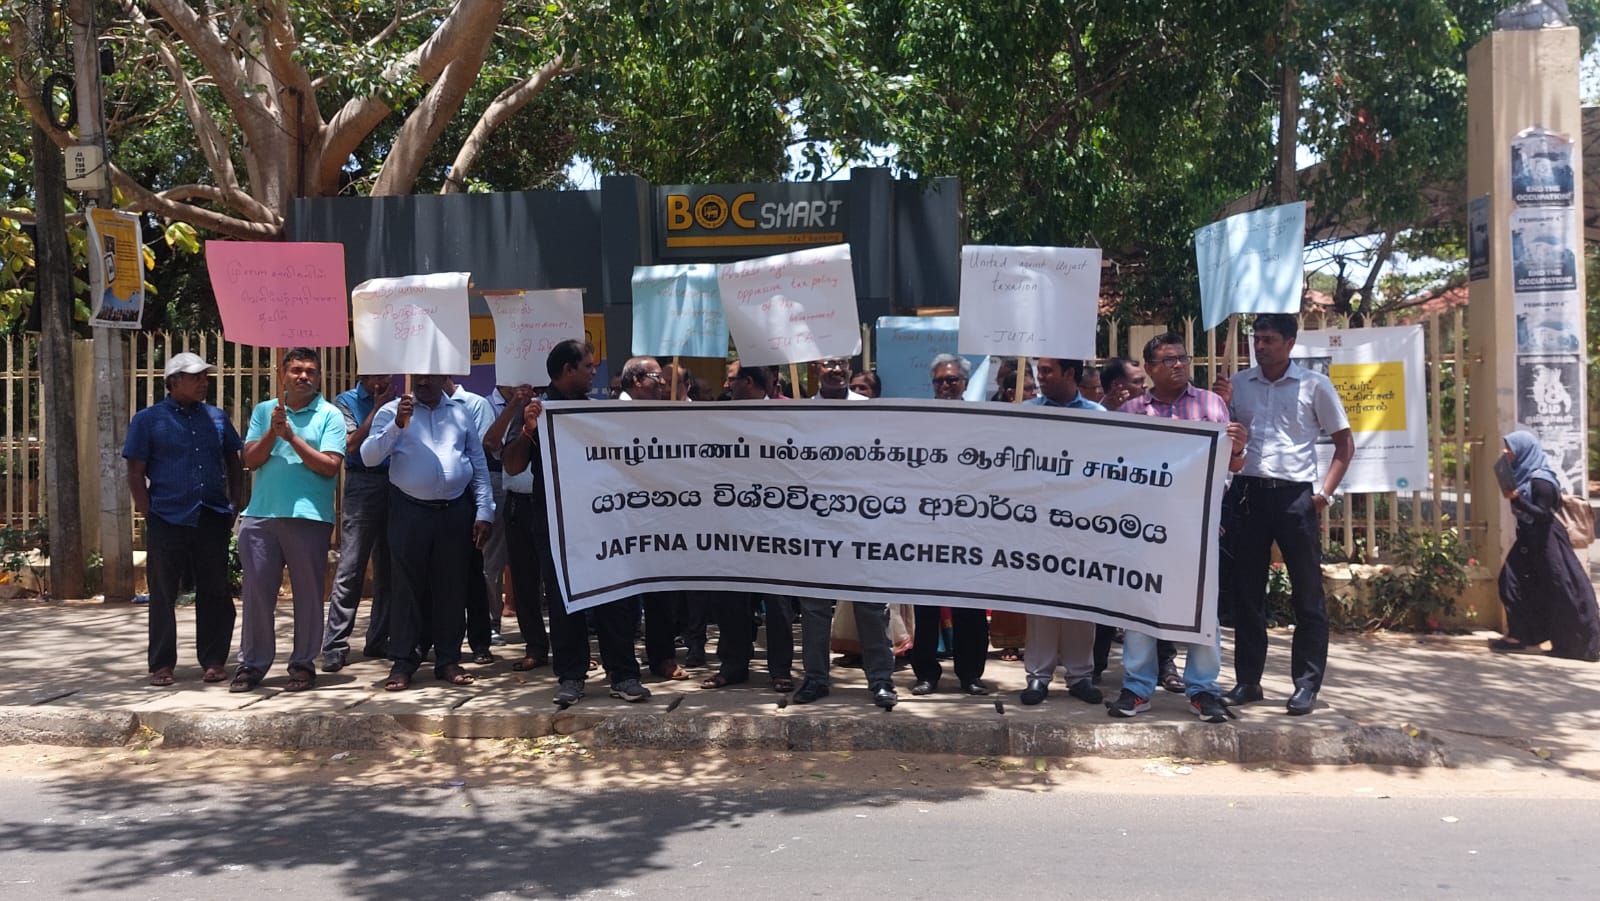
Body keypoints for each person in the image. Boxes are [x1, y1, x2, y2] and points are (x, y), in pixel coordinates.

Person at [1213, 313, 1353, 716]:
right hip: (1247, 494)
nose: (1260, 346)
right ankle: (1248, 682)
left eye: (1269, 339)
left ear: (1290, 342)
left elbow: (1344, 444)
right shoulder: (1238, 384)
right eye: (1257, 338)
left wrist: (1323, 494)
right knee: (1246, 594)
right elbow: (1220, 436)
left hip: (1295, 497)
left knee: (1307, 594)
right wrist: (1219, 404)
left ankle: (1306, 685)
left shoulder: (1314, 385)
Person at [1106, 334, 1247, 721]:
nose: (1179, 365)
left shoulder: (1211, 405)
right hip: (1144, 528)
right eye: (1168, 360)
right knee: (1139, 604)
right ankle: (1138, 688)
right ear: (1150, 368)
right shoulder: (1132, 412)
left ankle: (1203, 689)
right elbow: (1116, 466)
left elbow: (1233, 466)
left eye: (1182, 358)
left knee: (1201, 608)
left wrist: (1238, 448)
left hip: (1196, 528)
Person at [504, 339, 651, 706]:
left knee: (613, 599)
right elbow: (512, 465)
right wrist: (529, 430)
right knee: (563, 601)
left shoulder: (594, 413)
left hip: (601, 522)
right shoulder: (537, 409)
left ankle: (624, 675)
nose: (593, 372)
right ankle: (571, 676)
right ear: (568, 369)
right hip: (557, 525)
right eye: (587, 366)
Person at [362, 373, 494, 691]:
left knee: (452, 587)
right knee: (406, 587)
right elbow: (368, 457)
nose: (422, 383)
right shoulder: (393, 410)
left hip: (455, 510)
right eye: (418, 377)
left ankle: (448, 659)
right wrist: (397, 424)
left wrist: (484, 510)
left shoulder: (460, 412)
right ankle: (403, 661)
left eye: (430, 377)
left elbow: (477, 462)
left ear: (443, 377)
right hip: (409, 510)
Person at [124, 352, 243, 687]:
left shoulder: (217, 418)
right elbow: (135, 472)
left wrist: (234, 504)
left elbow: (234, 463)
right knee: (163, 593)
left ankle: (214, 660)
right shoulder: (147, 420)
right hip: (167, 517)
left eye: (205, 377)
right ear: (173, 382)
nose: (203, 383)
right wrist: (149, 512)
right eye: (195, 377)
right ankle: (162, 664)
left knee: (215, 589)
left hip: (211, 515)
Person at [234, 348, 347, 692]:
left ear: (319, 377)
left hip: (308, 518)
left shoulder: (330, 415)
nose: (303, 376)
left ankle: (302, 664)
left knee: (308, 596)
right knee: (256, 594)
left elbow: (330, 466)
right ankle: (252, 665)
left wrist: (291, 437)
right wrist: (273, 431)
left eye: (310, 371)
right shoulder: (265, 411)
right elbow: (250, 460)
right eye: (296, 370)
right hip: (260, 516)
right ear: (282, 374)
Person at [1018, 357, 1105, 706]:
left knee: (1081, 600)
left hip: (1083, 522)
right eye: (1038, 370)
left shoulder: (1099, 417)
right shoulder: (1026, 414)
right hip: (1036, 520)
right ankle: (1037, 677)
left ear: (1070, 373)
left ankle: (1080, 676)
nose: (1040, 376)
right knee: (1040, 600)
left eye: (1047, 370)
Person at [910, 354, 989, 695]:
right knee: (926, 605)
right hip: (928, 525)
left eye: (952, 380)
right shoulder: (918, 422)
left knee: (969, 604)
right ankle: (926, 673)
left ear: (965, 384)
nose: (945, 385)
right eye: (939, 380)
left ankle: (970, 675)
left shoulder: (983, 422)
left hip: (971, 527)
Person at [1490, 431, 1600, 661]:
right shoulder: (1523, 475)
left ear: (1523, 450)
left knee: (1561, 589)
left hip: (1547, 542)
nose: (1505, 451)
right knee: (1511, 581)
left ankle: (1577, 644)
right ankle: (1520, 636)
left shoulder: (1542, 481)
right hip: (1529, 540)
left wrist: (1516, 499)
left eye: (1510, 448)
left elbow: (1544, 515)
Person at [617, 356, 689, 681]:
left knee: (662, 590)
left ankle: (662, 657)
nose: (663, 383)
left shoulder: (664, 413)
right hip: (620, 515)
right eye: (657, 377)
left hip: (659, 514)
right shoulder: (604, 415)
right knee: (621, 594)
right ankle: (622, 665)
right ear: (636, 380)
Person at [321, 373, 396, 673]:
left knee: (389, 568)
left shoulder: (400, 400)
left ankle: (379, 639)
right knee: (351, 567)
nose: (385, 377)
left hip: (397, 483)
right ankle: (335, 645)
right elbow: (350, 446)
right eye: (378, 371)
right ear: (364, 373)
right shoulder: (346, 402)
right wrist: (377, 409)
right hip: (363, 483)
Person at [485, 382, 549, 674]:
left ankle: (570, 646)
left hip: (555, 504)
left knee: (559, 581)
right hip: (519, 504)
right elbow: (492, 444)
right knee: (524, 581)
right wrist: (517, 408)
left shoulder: (561, 405)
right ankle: (535, 646)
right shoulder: (517, 412)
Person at [446, 377, 501, 664]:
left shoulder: (472, 406)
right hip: (432, 504)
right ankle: (440, 644)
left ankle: (480, 642)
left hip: (466, 500)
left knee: (472, 574)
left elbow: (478, 457)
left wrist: (483, 509)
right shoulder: (412, 408)